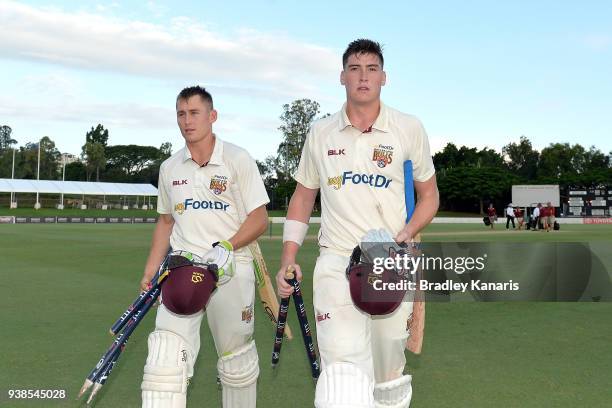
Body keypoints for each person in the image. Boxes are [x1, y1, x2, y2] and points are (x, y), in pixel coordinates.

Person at [276, 39, 439, 407]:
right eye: (354, 68)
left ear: (384, 77)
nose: (362, 76)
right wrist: (289, 255)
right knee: (343, 379)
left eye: (371, 69)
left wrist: (407, 233)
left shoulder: (408, 128)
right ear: (342, 77)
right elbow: (304, 197)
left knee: (386, 381)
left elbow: (429, 196)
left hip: (389, 262)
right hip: (336, 260)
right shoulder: (321, 132)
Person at [139, 86, 269, 408]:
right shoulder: (170, 168)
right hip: (182, 269)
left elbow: (260, 218)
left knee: (236, 365)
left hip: (230, 267)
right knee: (164, 363)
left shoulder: (237, 159)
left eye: (194, 113)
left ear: (212, 116)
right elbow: (166, 222)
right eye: (181, 114)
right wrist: (149, 273)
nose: (187, 121)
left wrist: (227, 245)